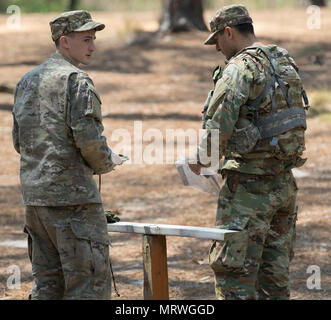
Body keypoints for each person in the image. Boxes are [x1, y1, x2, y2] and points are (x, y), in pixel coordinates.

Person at [189, 4, 308, 300]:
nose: (216, 47)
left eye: (217, 39)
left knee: (235, 276)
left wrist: (198, 161)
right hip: (284, 185)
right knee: (274, 278)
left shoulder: (239, 69)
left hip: (248, 191)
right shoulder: (283, 62)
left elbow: (219, 126)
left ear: (228, 32)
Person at [12, 10, 125, 300]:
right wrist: (108, 161)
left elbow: (19, 141)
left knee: (47, 286)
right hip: (74, 204)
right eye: (86, 39)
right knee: (87, 287)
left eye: (94, 39)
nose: (93, 46)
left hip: (36, 202)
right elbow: (89, 142)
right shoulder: (77, 80)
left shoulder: (26, 81)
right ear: (65, 41)